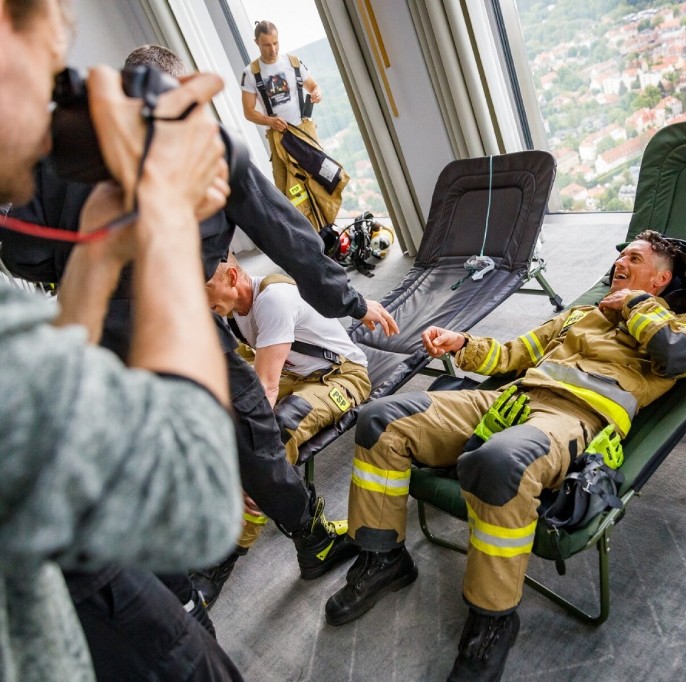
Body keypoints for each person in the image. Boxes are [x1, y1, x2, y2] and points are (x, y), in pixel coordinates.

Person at [2, 42, 397, 681]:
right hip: (175, 326)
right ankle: (311, 538)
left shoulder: (59, 151)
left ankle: (188, 611)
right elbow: (286, 233)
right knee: (252, 431)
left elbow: (25, 254)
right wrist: (350, 300)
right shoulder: (202, 140)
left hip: (99, 335)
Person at [324, 231, 686, 681]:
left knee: (500, 465)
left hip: (573, 419)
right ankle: (383, 557)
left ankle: (493, 620)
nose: (620, 263)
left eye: (635, 258)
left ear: (661, 278)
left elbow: (675, 359)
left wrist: (630, 305)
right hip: (510, 401)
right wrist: (461, 344)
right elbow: (516, 354)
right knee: (379, 420)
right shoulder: (581, 314)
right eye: (620, 255)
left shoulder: (681, 325)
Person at [0, 1, 246, 679]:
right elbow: (192, 503)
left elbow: (46, 415)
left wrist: (100, 256)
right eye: (54, 71)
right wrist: (164, 204)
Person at [192, 253, 372, 604]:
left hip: (340, 375)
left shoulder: (272, 300)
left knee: (273, 435)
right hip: (295, 374)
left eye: (206, 291)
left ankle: (220, 563)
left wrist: (254, 469)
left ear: (232, 276)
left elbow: (265, 389)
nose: (203, 303)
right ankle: (310, 541)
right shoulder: (227, 313)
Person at [241, 20, 344, 231]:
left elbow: (314, 86)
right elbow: (249, 112)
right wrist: (269, 121)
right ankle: (308, 236)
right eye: (266, 45)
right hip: (279, 137)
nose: (273, 49)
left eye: (276, 43)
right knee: (289, 190)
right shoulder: (250, 73)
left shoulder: (293, 62)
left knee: (323, 178)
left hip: (304, 132)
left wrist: (317, 93)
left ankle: (330, 229)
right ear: (256, 43)